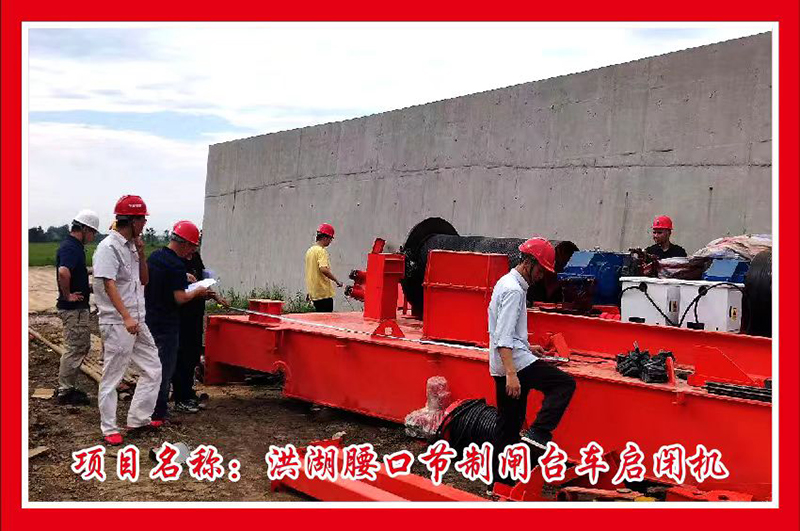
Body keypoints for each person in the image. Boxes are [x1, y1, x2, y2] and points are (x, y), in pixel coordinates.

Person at [488, 237, 576, 486]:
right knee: (563, 384)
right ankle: (539, 432)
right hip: (513, 363)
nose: (541, 276)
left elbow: (505, 331)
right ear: (528, 263)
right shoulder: (514, 291)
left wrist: (528, 347)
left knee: (508, 426)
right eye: (540, 270)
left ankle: (499, 483)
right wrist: (512, 374)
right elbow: (503, 337)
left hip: (507, 360)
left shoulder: (506, 282)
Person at [93, 195, 162, 445]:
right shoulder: (108, 247)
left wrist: (142, 254)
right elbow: (108, 284)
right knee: (113, 376)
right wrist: (125, 317)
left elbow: (144, 280)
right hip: (118, 322)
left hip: (137, 319)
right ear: (132, 221)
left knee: (153, 368)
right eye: (142, 219)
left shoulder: (132, 246)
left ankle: (139, 419)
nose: (144, 224)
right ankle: (109, 428)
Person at [145, 221, 212, 424]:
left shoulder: (156, 257)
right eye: (192, 247)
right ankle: (158, 412)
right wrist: (198, 291)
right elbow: (180, 298)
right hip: (167, 323)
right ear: (184, 244)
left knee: (152, 367)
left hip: (151, 318)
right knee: (165, 369)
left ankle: (150, 408)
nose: (192, 252)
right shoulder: (175, 264)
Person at [172, 246, 228, 413]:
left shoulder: (195, 258)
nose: (193, 249)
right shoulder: (174, 260)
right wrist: (188, 282)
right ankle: (180, 396)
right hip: (181, 315)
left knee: (193, 354)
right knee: (181, 356)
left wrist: (216, 297)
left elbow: (203, 281)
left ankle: (188, 392)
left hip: (196, 314)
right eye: (191, 245)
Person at [54, 209, 99, 405]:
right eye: (93, 232)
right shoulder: (71, 248)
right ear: (85, 229)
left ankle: (67, 387)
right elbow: (63, 272)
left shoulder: (73, 247)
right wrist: (68, 295)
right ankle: (65, 391)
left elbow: (74, 272)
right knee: (75, 347)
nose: (93, 237)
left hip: (77, 307)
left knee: (80, 345)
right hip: (73, 309)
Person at [304, 223, 342, 312]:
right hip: (323, 294)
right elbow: (323, 269)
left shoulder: (310, 251)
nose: (330, 242)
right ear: (325, 237)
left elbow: (311, 272)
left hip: (314, 294)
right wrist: (336, 280)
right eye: (330, 239)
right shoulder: (321, 251)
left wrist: (309, 291)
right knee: (326, 319)